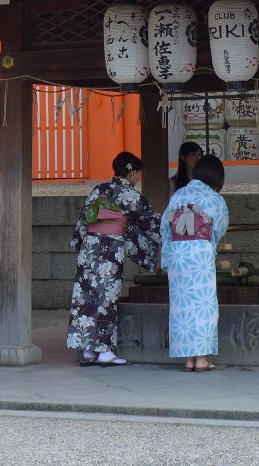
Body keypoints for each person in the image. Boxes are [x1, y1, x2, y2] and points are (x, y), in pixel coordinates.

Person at [66, 151, 161, 367]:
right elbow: (150, 220)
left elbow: (83, 220)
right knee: (106, 297)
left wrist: (77, 242)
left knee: (87, 295)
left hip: (89, 248)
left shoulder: (98, 190)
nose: (138, 178)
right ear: (133, 173)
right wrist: (172, 234)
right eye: (138, 174)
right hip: (108, 250)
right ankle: (105, 352)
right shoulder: (127, 193)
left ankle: (89, 350)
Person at [161, 153, 229, 372]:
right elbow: (218, 227)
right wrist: (210, 245)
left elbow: (165, 226)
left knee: (181, 307)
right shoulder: (214, 199)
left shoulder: (179, 195)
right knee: (203, 305)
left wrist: (168, 256)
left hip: (178, 254)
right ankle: (201, 359)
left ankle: (188, 359)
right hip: (200, 253)